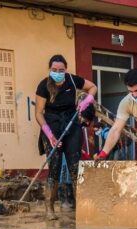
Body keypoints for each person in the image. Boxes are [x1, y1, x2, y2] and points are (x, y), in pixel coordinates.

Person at [35, 54, 97, 218]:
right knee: (54, 168)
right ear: (50, 69)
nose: (58, 72)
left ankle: (81, 209)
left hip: (72, 125)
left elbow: (93, 87)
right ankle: (49, 209)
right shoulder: (43, 86)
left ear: (65, 69)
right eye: (54, 70)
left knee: (75, 167)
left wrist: (87, 100)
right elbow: (39, 113)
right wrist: (49, 134)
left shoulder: (72, 80)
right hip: (52, 126)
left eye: (61, 70)